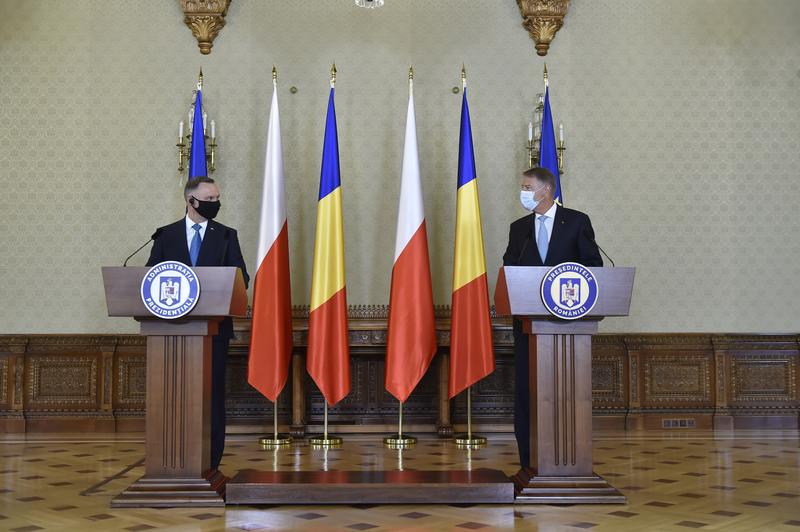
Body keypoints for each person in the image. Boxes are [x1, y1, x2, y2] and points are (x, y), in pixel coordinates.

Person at [502, 166, 602, 471]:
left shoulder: (576, 221)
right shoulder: (518, 227)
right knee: (527, 394)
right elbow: (508, 270)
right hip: (528, 327)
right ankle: (528, 463)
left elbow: (593, 265)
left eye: (527, 187)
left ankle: (570, 462)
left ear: (546, 190)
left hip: (568, 326)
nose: (523, 192)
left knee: (565, 394)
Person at [146, 176, 249, 470]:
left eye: (217, 198)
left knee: (212, 396)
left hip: (213, 331)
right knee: (171, 397)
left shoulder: (227, 235)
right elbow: (149, 277)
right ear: (191, 201)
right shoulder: (164, 236)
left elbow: (242, 278)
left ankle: (211, 460)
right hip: (170, 333)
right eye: (210, 199)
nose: (216, 204)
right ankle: (169, 459)